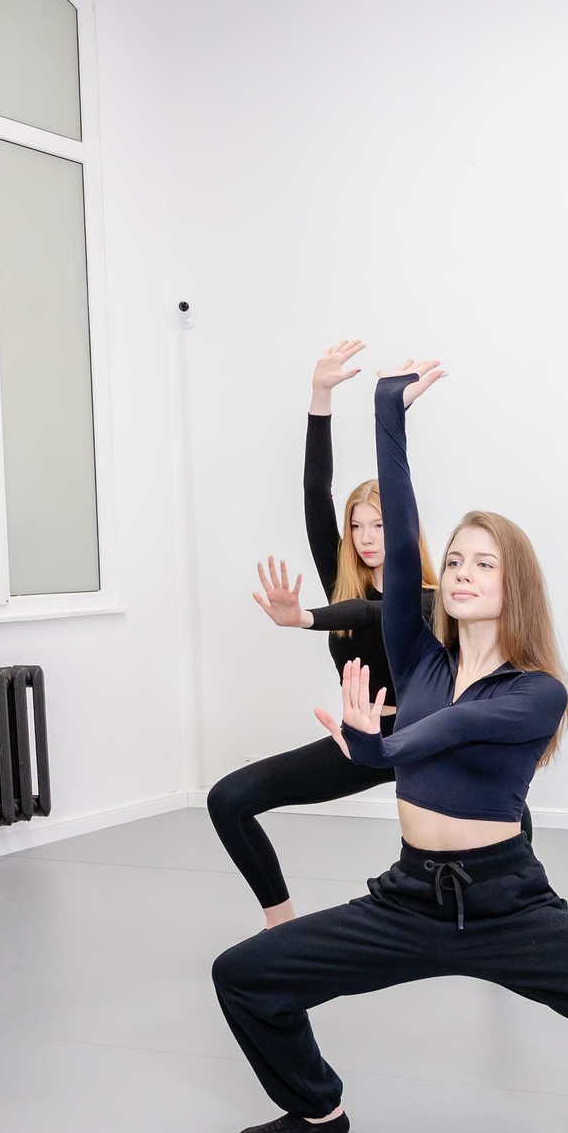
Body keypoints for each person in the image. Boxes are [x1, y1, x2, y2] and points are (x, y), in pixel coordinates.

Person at [211, 359, 568, 1133]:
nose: (459, 571)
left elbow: (446, 732)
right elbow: (401, 537)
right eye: (453, 560)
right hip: (407, 897)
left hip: (505, 903)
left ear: (512, 584)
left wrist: (376, 746)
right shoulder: (417, 654)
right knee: (243, 975)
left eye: (482, 563)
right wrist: (388, 411)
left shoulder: (536, 690)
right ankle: (315, 1105)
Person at [209, 341, 438, 927]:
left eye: (379, 525)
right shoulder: (341, 579)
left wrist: (306, 618)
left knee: (505, 811)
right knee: (228, 800)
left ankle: (517, 908)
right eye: (357, 526)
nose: (366, 537)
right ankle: (280, 923)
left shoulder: (432, 598)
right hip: (363, 741)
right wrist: (320, 396)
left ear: (403, 529)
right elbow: (316, 493)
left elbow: (372, 615)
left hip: (424, 743)